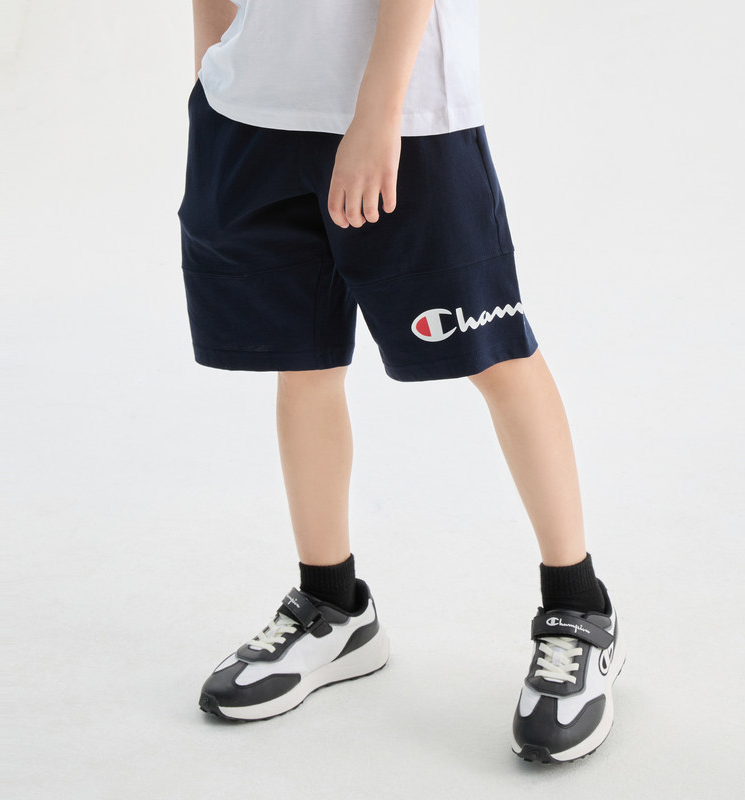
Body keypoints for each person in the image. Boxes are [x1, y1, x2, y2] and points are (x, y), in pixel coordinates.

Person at [178, 0, 625, 763]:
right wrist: (213, 73)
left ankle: (580, 611)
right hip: (246, 116)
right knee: (303, 362)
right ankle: (332, 606)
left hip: (409, 121)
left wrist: (378, 113)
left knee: (496, 355)